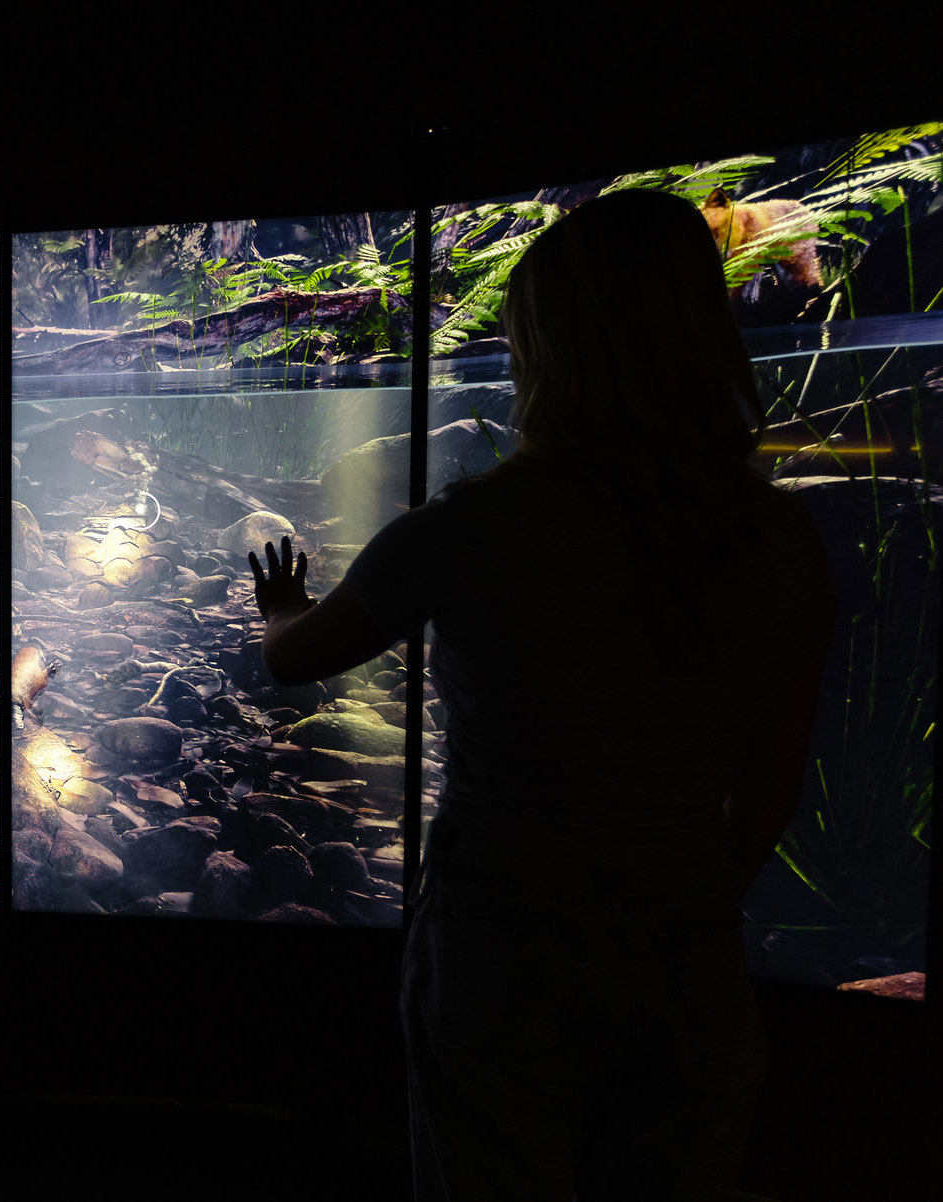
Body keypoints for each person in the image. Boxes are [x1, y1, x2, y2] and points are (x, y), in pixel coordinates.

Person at [248, 189, 834, 1200]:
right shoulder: (776, 540)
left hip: (504, 944)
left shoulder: (475, 525)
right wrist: (671, 897)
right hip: (686, 954)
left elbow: (294, 659)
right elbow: (770, 788)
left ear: (550, 352)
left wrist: (280, 604)